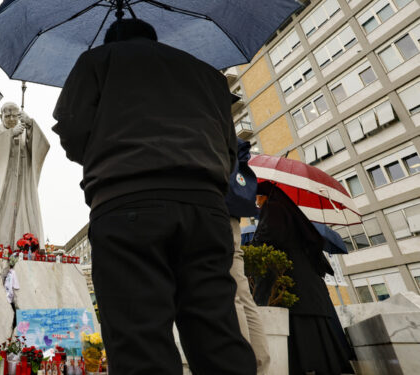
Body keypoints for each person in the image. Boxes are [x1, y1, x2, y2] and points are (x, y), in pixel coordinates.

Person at [52, 18, 256, 375]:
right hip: (205, 208)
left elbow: (71, 128)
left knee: (138, 336)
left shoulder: (98, 61)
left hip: (126, 202)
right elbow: (228, 146)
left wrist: (106, 152)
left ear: (111, 38)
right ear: (153, 36)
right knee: (217, 330)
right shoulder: (207, 75)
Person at [253, 184, 354, 374]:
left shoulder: (273, 208)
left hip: (292, 284)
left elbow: (269, 237)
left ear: (265, 196)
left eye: (258, 196)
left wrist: (252, 246)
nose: (256, 200)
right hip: (307, 287)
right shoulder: (289, 211)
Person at [0, 102, 49, 251]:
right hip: (3, 185)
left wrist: (30, 126)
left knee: (23, 211)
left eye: (14, 115)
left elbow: (42, 146)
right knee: (1, 214)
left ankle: (23, 245)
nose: (10, 118)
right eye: (7, 115)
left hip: (21, 183)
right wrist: (9, 135)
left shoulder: (23, 132)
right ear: (0, 116)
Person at [225, 138, 271, 374]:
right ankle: (259, 364)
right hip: (231, 217)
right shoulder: (226, 135)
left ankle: (243, 366)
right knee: (242, 294)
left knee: (230, 294)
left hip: (215, 212)